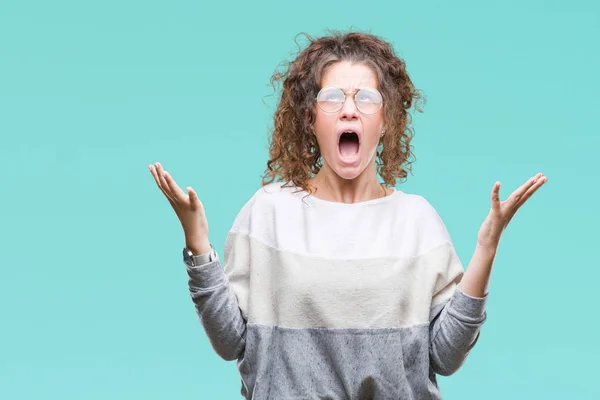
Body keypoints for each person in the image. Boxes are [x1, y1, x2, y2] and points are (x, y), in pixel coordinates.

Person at [148, 30, 547, 400]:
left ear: (386, 120)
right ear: (310, 118)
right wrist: (198, 243)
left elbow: (445, 356)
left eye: (366, 99)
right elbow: (230, 342)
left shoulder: (417, 221)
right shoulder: (268, 212)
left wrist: (487, 247)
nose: (349, 111)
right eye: (332, 98)